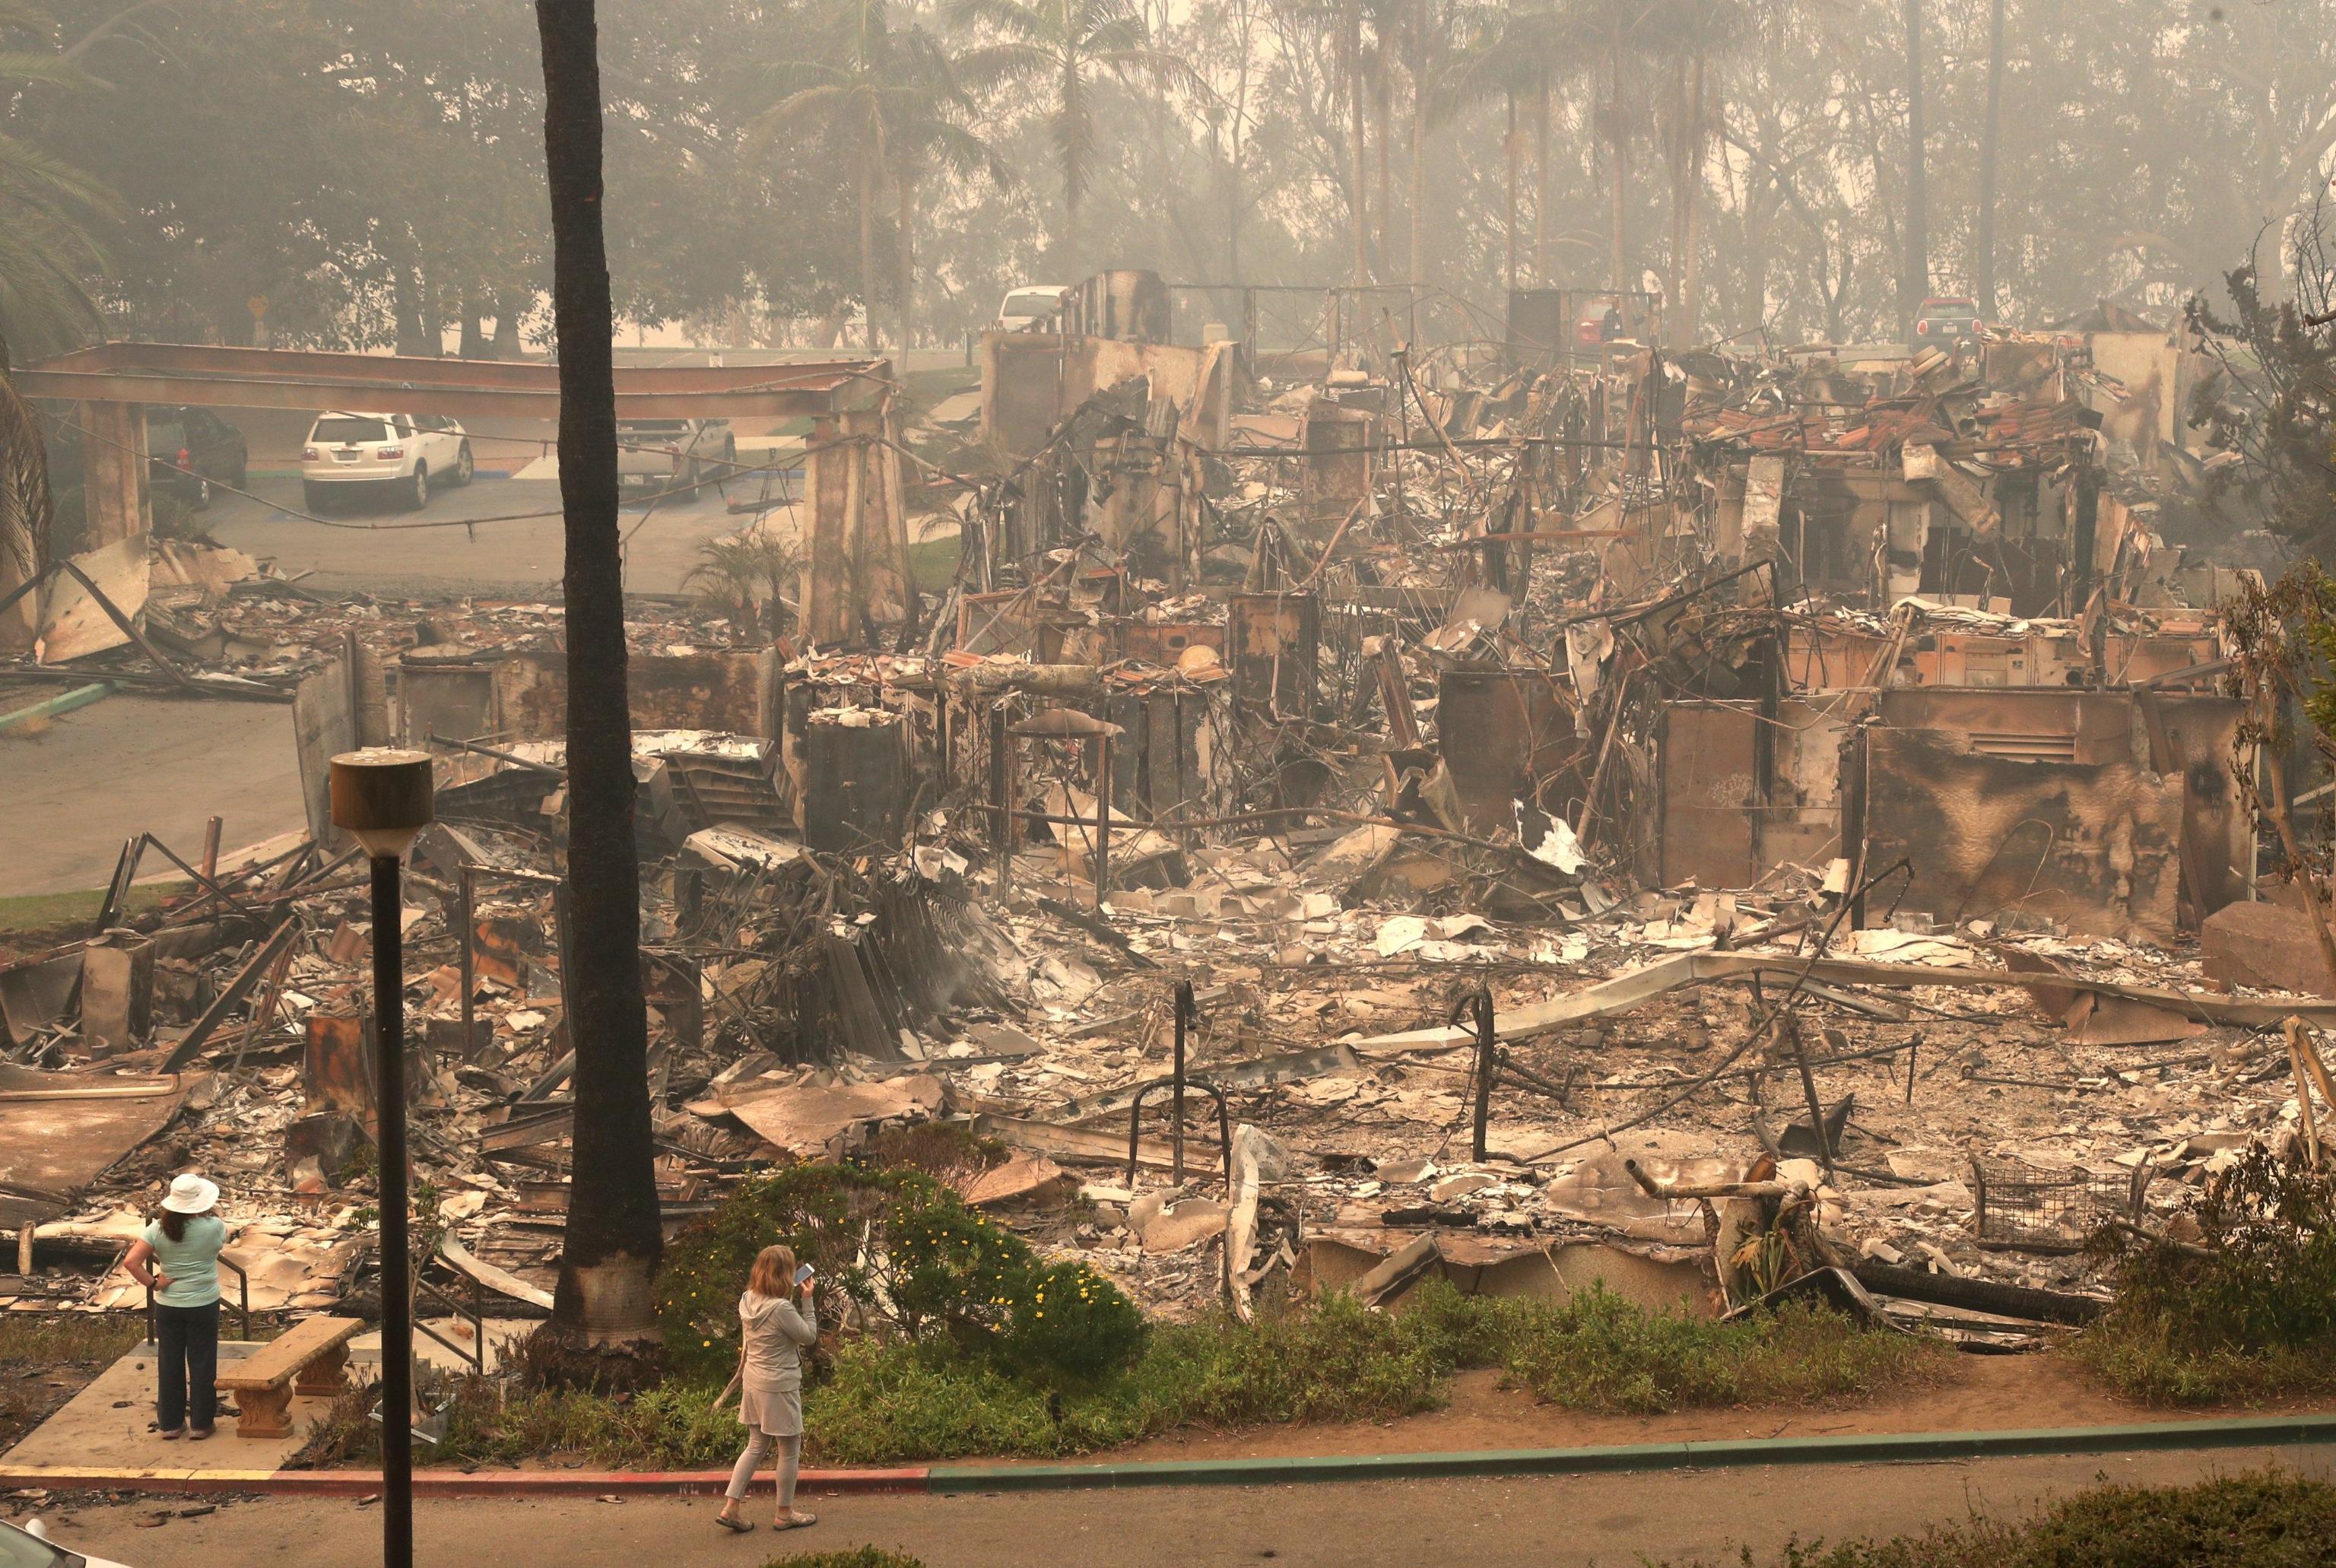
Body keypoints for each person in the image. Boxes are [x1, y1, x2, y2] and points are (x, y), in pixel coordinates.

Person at [714, 1243, 819, 1534]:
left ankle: (731, 1507)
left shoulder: (747, 1299)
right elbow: (808, 1337)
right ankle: (784, 1513)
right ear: (786, 1274)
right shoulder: (781, 1308)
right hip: (779, 1385)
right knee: (789, 1448)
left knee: (756, 1445)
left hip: (753, 1381)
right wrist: (807, 1300)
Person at [123, 1173, 227, 1441]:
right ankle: (201, 1424)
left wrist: (154, 1283)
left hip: (169, 1304)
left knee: (170, 1362)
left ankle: (170, 1424)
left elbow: (131, 1262)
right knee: (202, 1362)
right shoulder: (214, 1226)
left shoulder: (157, 1229)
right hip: (204, 1303)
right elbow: (216, 1246)